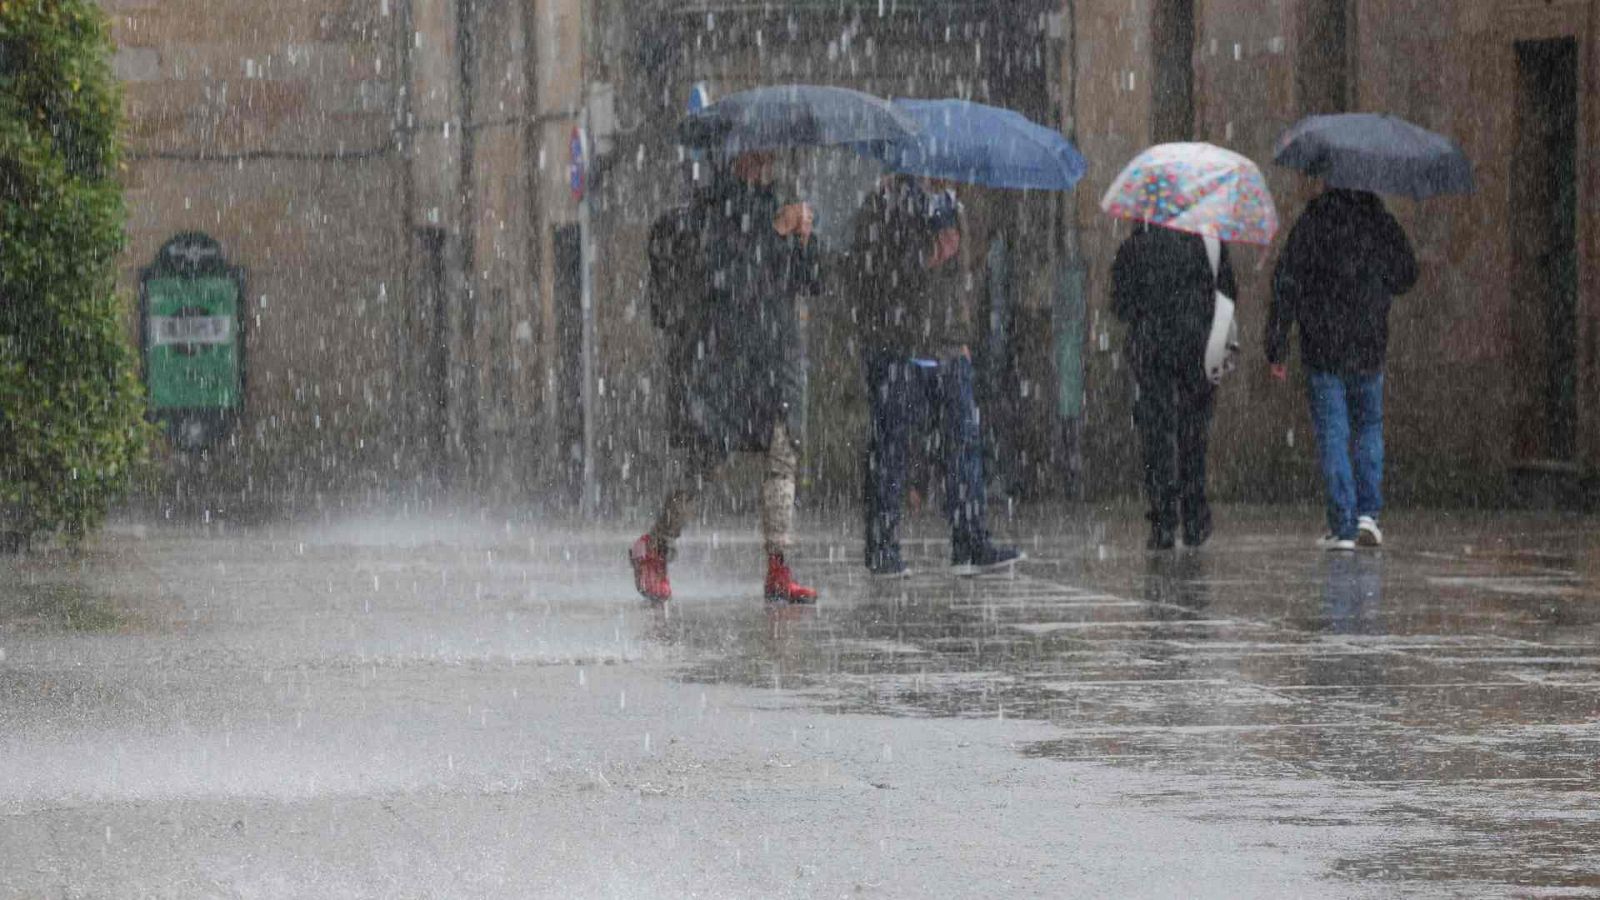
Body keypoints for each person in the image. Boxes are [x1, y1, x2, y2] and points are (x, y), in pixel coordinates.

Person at [629, 151, 821, 603]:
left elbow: (810, 282)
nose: (762, 166)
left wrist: (806, 242)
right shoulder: (711, 213)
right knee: (706, 461)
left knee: (783, 455)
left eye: (766, 158)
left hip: (778, 355)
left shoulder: (783, 206)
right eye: (753, 158)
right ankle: (654, 548)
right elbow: (729, 278)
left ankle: (779, 567)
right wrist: (775, 232)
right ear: (734, 159)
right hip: (727, 360)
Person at [851, 175, 1022, 577]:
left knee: (964, 445)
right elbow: (874, 272)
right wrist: (929, 252)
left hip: (947, 348)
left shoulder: (954, 207)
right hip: (900, 344)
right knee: (891, 447)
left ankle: (970, 539)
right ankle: (883, 548)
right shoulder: (886, 205)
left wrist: (961, 334)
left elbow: (961, 280)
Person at [1267, 187, 1416, 551]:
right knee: (1368, 427)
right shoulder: (1380, 220)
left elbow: (1286, 281)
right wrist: (1376, 287)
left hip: (1323, 345)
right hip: (1368, 343)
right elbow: (1407, 274)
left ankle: (1344, 525)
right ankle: (1368, 515)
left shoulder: (1313, 221)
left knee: (1334, 431)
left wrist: (1277, 344)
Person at [1111, 221, 1237, 550]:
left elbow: (1120, 305)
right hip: (1198, 347)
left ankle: (1164, 520)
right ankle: (1194, 517)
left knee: (1157, 433)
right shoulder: (1210, 242)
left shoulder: (1136, 245)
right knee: (1194, 432)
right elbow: (1228, 292)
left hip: (1152, 350)